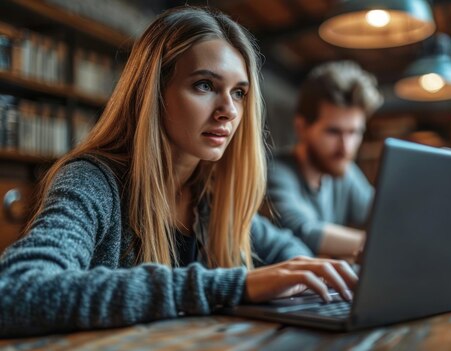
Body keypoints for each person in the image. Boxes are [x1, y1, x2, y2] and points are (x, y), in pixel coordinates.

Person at [0, 7, 356, 337]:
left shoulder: (211, 199)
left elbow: (292, 257)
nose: (228, 111)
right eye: (205, 85)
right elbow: (15, 292)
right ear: (152, 92)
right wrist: (235, 285)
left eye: (239, 93)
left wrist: (340, 276)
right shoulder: (93, 182)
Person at [265, 61, 383, 258]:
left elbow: (380, 213)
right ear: (302, 127)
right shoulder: (275, 171)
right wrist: (385, 245)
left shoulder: (345, 171)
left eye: (354, 132)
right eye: (333, 132)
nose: (346, 147)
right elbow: (302, 231)